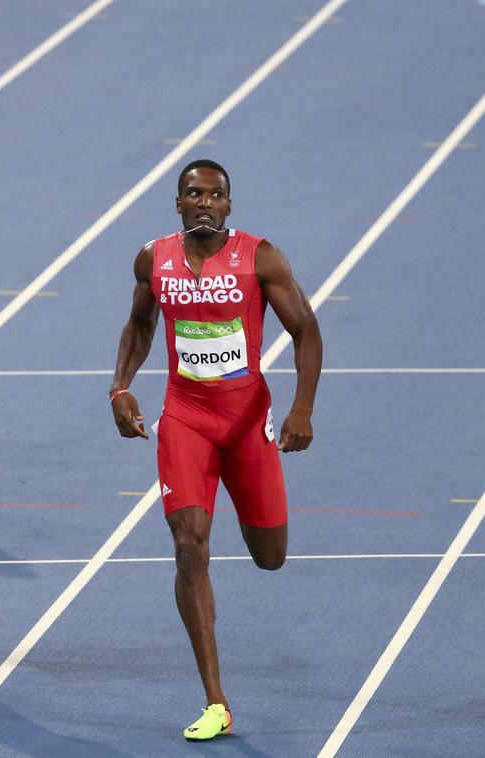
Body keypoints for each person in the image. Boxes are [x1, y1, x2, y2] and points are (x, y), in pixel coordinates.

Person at [110, 159, 322, 740]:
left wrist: (302, 407)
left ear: (229, 205)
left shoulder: (261, 258)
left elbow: (306, 329)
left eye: (216, 194)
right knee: (189, 544)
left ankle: (211, 601)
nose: (204, 201)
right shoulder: (153, 259)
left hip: (247, 419)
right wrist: (121, 386)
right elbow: (139, 324)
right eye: (193, 193)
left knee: (270, 555)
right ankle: (215, 700)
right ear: (178, 203)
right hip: (186, 417)